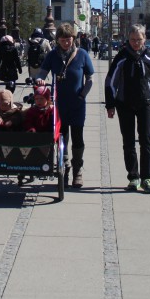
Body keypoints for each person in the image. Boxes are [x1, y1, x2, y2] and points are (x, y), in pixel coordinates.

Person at [104, 24, 150, 194]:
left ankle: (147, 178)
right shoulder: (122, 57)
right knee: (128, 142)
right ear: (128, 39)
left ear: (144, 39)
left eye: (139, 40)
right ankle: (133, 177)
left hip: (145, 104)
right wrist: (110, 105)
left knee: (146, 140)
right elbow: (110, 82)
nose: (136, 43)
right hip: (125, 104)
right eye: (133, 40)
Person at [34, 22, 95, 188]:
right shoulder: (53, 55)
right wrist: (40, 79)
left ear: (73, 38)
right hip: (59, 104)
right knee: (61, 138)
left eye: (68, 39)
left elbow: (90, 78)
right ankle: (64, 168)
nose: (66, 42)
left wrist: (83, 95)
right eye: (62, 39)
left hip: (77, 104)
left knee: (78, 138)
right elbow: (43, 72)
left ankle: (77, 171)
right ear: (58, 40)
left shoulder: (82, 54)